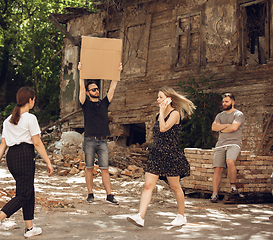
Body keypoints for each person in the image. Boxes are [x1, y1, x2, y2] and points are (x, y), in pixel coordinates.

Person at [0, 87, 54, 240]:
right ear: (30, 100)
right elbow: (37, 143)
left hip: (11, 157)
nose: (34, 101)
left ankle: (29, 228)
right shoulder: (30, 118)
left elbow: (3, 144)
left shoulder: (8, 120)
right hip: (25, 155)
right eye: (34, 99)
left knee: (28, 190)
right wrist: (48, 162)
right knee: (24, 194)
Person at [127, 86, 195, 227]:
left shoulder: (175, 113)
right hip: (157, 154)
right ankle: (140, 216)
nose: (158, 100)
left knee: (175, 187)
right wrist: (161, 112)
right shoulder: (160, 115)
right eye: (158, 97)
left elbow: (164, 128)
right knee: (148, 185)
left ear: (169, 99)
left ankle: (181, 216)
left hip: (170, 154)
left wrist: (162, 111)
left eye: (161, 97)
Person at [78, 62, 122, 204]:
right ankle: (90, 194)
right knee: (89, 168)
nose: (96, 91)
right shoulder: (85, 104)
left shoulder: (104, 103)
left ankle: (109, 195)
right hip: (89, 140)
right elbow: (80, 86)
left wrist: (117, 72)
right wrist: (81, 73)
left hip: (103, 141)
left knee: (104, 169)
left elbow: (113, 88)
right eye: (93, 89)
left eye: (97, 89)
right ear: (88, 92)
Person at [210, 93, 244, 203]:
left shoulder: (238, 114)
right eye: (223, 102)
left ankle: (233, 187)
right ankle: (214, 195)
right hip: (221, 144)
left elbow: (234, 127)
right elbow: (214, 127)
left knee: (230, 161)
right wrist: (227, 126)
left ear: (232, 102)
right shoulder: (220, 115)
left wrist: (222, 127)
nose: (224, 103)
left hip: (234, 143)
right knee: (218, 168)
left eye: (227, 102)